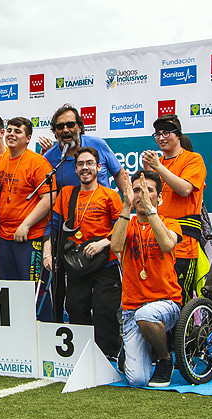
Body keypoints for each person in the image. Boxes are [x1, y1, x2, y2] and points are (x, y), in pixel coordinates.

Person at [43, 147, 122, 358]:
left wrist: (103, 243)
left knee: (104, 309)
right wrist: (47, 253)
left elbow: (122, 228)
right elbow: (53, 226)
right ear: (76, 169)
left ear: (99, 167)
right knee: (76, 308)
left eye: (89, 163)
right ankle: (82, 353)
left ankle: (108, 354)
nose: (85, 168)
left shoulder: (111, 195)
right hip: (77, 263)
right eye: (80, 164)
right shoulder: (67, 193)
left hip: (106, 262)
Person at [111, 170, 182, 387]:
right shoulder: (127, 222)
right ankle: (132, 347)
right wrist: (126, 206)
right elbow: (116, 246)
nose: (141, 194)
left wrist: (150, 210)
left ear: (159, 197)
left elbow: (167, 244)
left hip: (166, 303)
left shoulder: (170, 222)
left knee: (147, 314)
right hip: (132, 308)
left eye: (148, 190)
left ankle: (164, 359)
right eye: (137, 190)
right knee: (137, 380)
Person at [142, 114, 207, 303]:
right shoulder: (157, 163)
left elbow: (185, 189)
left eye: (166, 133)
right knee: (155, 299)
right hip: (156, 242)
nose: (161, 138)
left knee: (179, 300)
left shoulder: (193, 159)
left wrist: (158, 167)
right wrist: (147, 173)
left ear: (178, 135)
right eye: (158, 134)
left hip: (182, 245)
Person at [0, 117, 55, 281]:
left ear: (28, 138)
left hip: (29, 236)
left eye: (17, 131)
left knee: (32, 290)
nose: (11, 134)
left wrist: (26, 225)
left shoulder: (38, 162)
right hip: (4, 237)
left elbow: (49, 198)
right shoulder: (5, 158)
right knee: (10, 289)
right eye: (9, 130)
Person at [41, 104, 128, 193]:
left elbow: (118, 172)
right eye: (60, 126)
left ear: (79, 127)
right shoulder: (48, 158)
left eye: (70, 125)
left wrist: (127, 197)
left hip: (103, 201)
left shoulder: (98, 144)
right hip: (69, 202)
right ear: (55, 132)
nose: (65, 130)